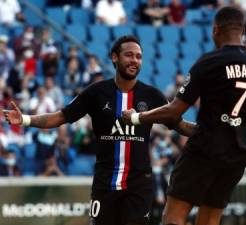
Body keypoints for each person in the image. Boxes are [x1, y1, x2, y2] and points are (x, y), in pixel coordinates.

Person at [2, 35, 196, 225]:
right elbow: (60, 116)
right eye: (129, 55)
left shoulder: (152, 96)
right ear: (114, 57)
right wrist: (25, 119)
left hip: (139, 184)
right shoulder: (95, 92)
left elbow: (180, 125)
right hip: (105, 182)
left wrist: (213, 131)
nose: (134, 61)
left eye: (138, 56)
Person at [122, 6, 246, 225]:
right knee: (209, 220)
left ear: (215, 30)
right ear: (243, 30)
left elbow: (175, 110)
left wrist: (136, 118)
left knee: (173, 217)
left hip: (205, 150)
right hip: (238, 154)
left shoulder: (209, 62)